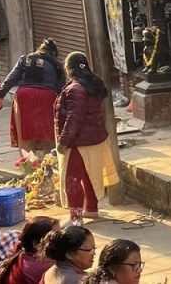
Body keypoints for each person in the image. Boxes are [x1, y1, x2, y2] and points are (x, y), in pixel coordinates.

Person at [55, 53, 119, 226]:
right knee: (89, 175)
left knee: (73, 178)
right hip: (95, 139)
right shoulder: (93, 84)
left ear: (69, 69)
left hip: (79, 141)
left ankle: (75, 218)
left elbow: (74, 118)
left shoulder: (75, 88)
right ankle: (91, 208)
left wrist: (63, 141)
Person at [0, 39, 66, 157]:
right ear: (53, 53)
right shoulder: (57, 65)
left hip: (24, 96)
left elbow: (11, 78)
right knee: (48, 133)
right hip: (48, 97)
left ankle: (28, 161)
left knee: (24, 132)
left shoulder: (25, 59)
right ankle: (48, 161)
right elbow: (61, 88)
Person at [0, 216, 58, 284]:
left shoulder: (23, 251)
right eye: (56, 237)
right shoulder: (42, 266)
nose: (62, 239)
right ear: (36, 244)